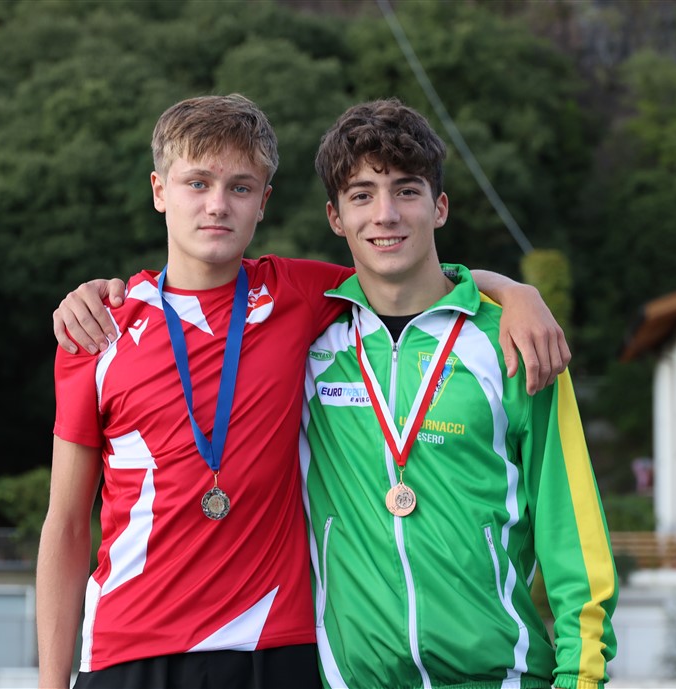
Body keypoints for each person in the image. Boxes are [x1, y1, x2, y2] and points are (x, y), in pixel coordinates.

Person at [38, 94, 569, 689]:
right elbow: (66, 525)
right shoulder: (98, 330)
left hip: (274, 646)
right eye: (198, 183)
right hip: (128, 649)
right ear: (160, 190)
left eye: (240, 187)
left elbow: (413, 278)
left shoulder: (298, 294)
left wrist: (516, 292)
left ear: (264, 202)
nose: (217, 204)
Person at [299, 98, 617, 688]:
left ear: (439, 207)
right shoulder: (307, 344)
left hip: (501, 677)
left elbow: (571, 527)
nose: (386, 214)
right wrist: (116, 299)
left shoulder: (516, 342)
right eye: (362, 195)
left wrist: (582, 676)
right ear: (335, 217)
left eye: (407, 191)